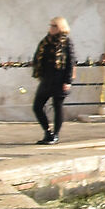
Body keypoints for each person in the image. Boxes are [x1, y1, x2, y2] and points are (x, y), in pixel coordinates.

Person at [30, 17, 76, 145]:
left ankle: (55, 135)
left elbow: (70, 62)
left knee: (57, 106)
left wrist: (67, 81)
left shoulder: (66, 42)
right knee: (37, 106)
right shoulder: (46, 41)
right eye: (50, 25)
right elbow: (38, 57)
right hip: (46, 79)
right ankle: (47, 132)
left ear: (60, 27)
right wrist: (39, 72)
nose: (51, 28)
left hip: (60, 79)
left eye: (54, 26)